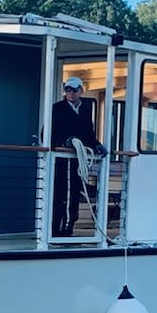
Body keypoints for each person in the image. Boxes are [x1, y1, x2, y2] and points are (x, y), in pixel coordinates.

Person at [51, 74, 103, 236]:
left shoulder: (86, 111)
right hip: (61, 161)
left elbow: (88, 134)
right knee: (60, 193)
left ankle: (69, 227)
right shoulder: (57, 108)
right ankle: (56, 229)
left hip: (76, 161)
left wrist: (96, 145)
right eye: (68, 90)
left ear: (81, 91)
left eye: (74, 90)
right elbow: (48, 134)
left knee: (74, 191)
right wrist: (66, 141)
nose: (71, 93)